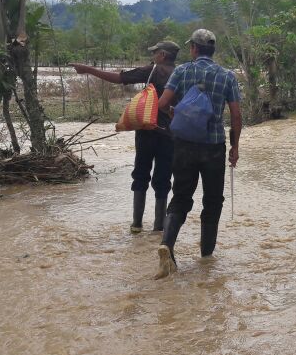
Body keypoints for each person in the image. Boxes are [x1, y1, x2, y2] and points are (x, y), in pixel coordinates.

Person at [153, 29, 242, 279]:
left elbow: (161, 104)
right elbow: (235, 115)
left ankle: (167, 246)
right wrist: (235, 147)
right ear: (212, 50)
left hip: (183, 145)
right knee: (213, 201)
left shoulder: (181, 71)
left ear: (193, 49)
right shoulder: (227, 76)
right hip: (214, 147)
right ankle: (206, 259)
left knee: (180, 197)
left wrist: (176, 112)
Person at [70, 41, 180, 233]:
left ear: (162, 54)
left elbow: (119, 78)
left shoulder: (152, 70)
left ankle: (136, 225)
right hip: (170, 135)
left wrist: (88, 69)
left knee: (140, 175)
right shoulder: (182, 73)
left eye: (155, 53)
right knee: (163, 180)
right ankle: (159, 228)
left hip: (146, 132)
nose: (153, 56)